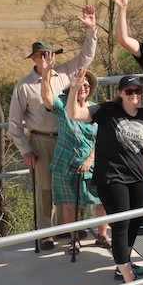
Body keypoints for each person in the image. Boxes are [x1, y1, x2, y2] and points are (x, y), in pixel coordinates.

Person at [8, 4, 97, 250]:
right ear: (35, 58)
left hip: (69, 139)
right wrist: (25, 148)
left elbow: (86, 57)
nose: (50, 58)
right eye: (45, 55)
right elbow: (14, 123)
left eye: (52, 54)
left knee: (68, 185)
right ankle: (46, 233)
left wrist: (91, 31)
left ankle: (66, 230)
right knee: (45, 188)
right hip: (42, 140)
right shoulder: (24, 86)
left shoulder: (64, 73)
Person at [66, 70, 143, 285]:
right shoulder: (107, 111)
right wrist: (75, 89)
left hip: (138, 178)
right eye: (129, 91)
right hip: (112, 177)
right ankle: (130, 280)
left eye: (137, 91)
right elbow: (74, 113)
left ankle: (122, 264)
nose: (133, 95)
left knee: (135, 223)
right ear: (120, 93)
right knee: (120, 226)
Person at [40, 52, 108, 255]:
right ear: (72, 86)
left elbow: (102, 138)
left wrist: (90, 158)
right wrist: (46, 72)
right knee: (68, 205)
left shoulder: (96, 110)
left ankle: (102, 235)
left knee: (100, 201)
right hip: (65, 163)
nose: (83, 88)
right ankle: (74, 238)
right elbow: (45, 97)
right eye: (79, 85)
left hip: (91, 163)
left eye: (87, 86)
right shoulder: (62, 105)